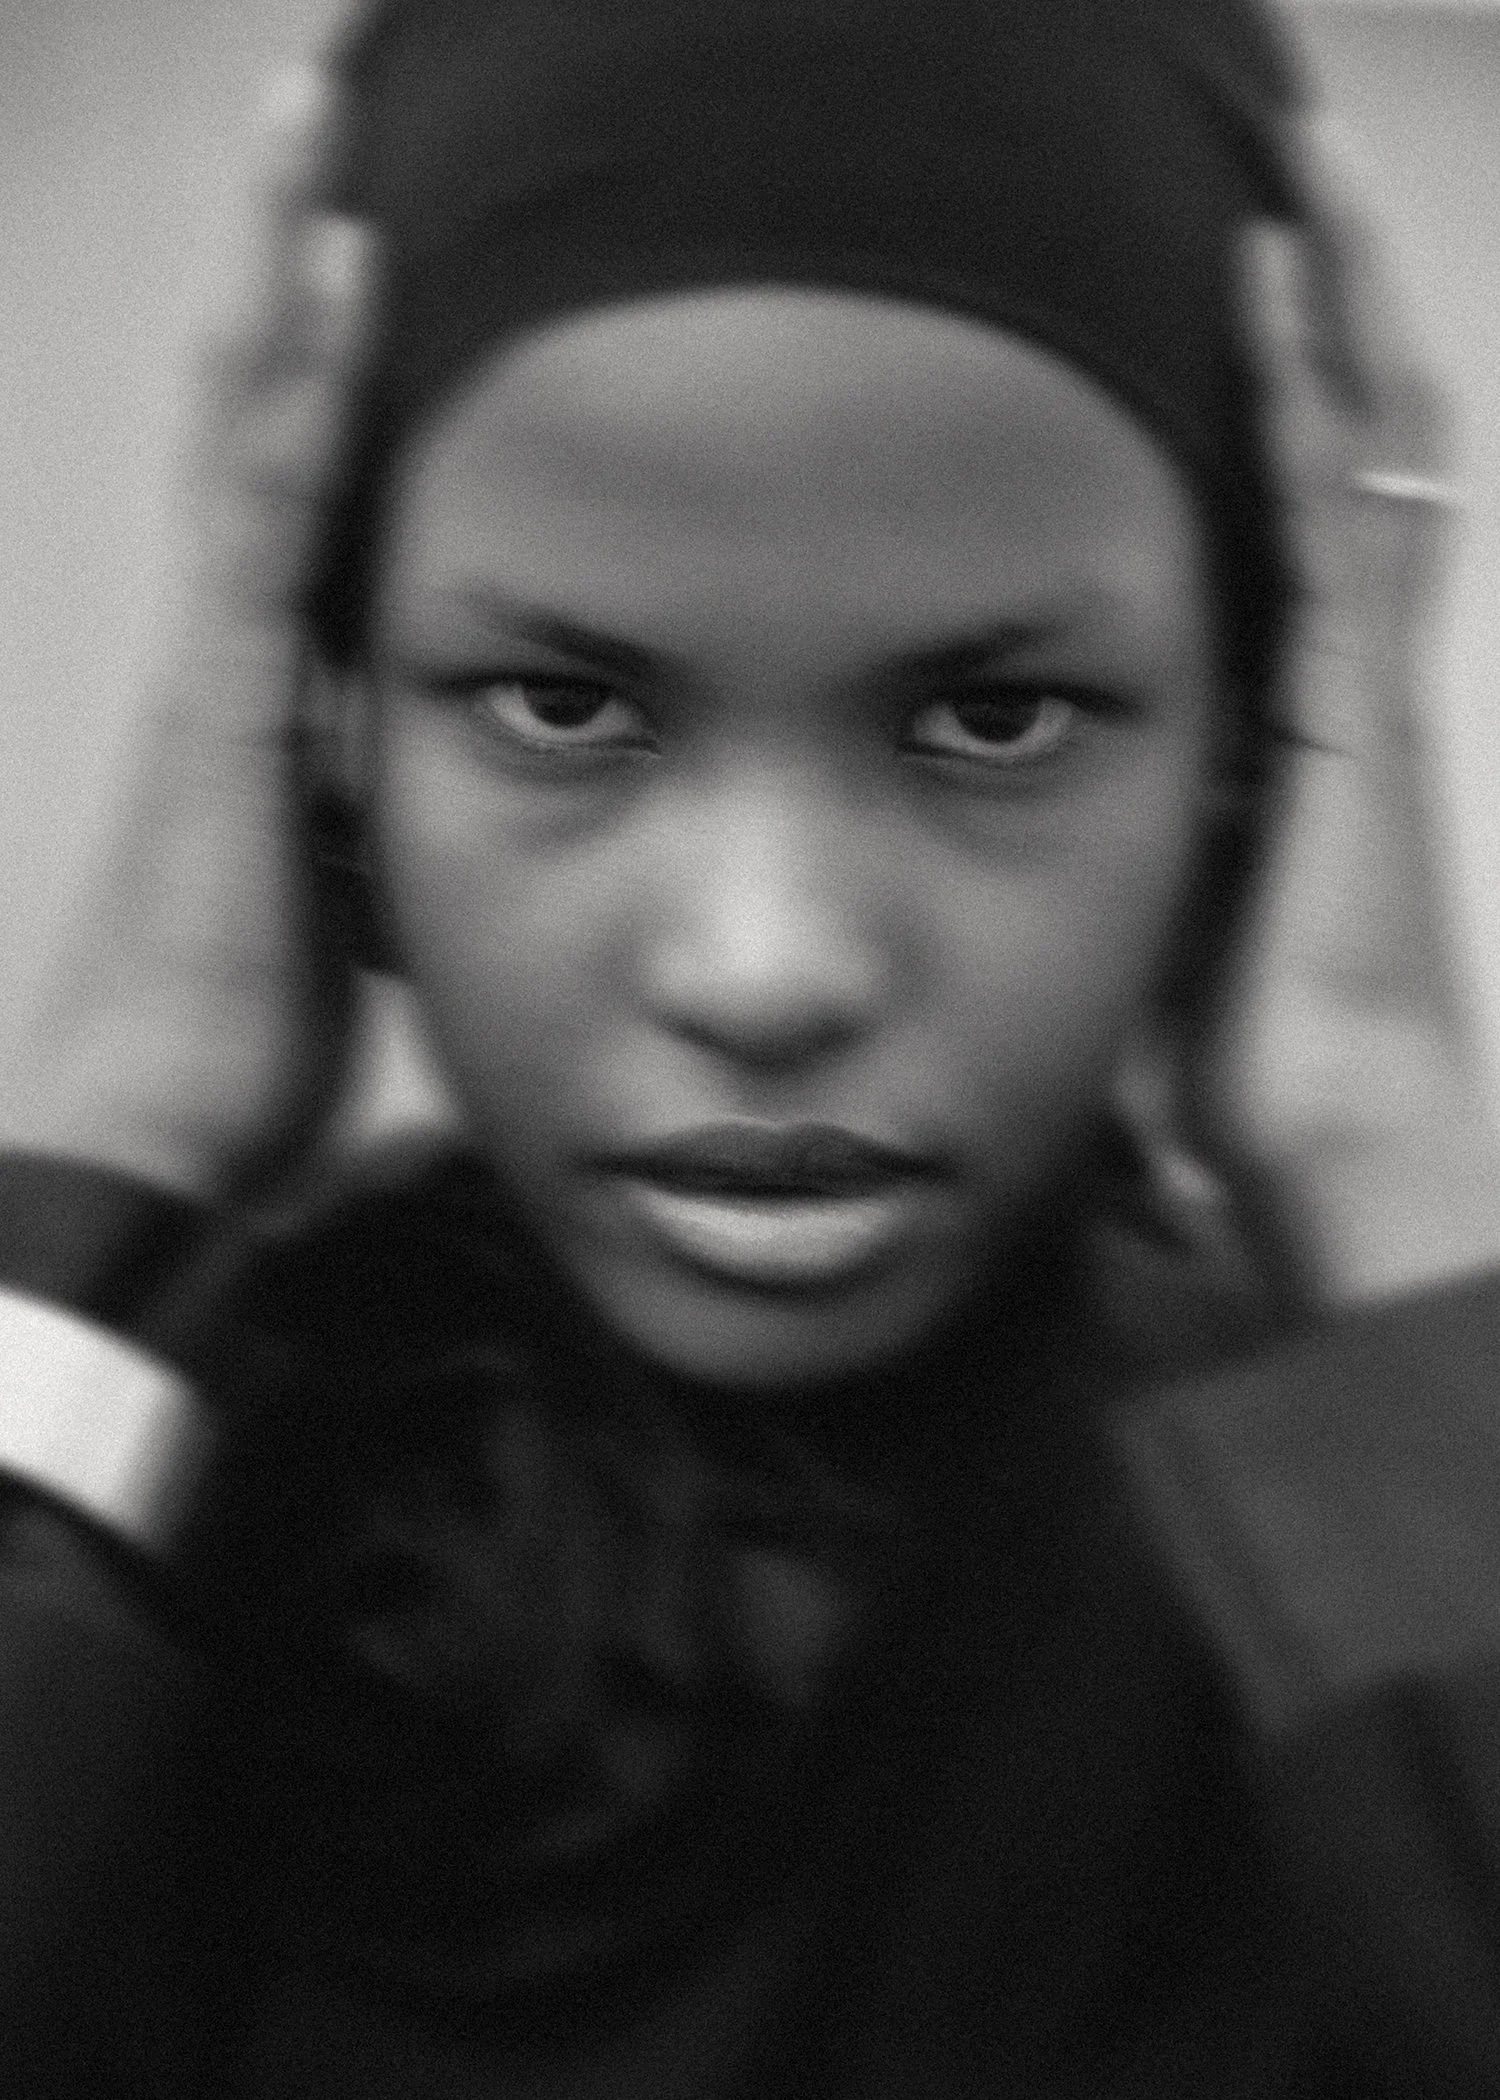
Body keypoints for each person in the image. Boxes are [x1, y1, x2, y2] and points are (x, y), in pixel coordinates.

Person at [2, 0, 1499, 2091]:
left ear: (1255, 754)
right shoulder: (142, 1508)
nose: (769, 965)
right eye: (558, 707)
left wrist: (1380, 1138)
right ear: (327, 742)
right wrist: (114, 1128)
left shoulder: (1367, 1594)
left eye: (996, 722)